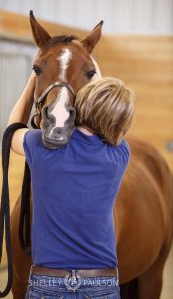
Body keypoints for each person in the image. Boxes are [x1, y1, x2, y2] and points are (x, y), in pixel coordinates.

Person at [7, 74, 134, 299]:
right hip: (101, 283)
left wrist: (31, 84)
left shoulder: (40, 145)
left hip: (48, 281)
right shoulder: (120, 154)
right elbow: (110, 121)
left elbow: (12, 131)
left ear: (83, 103)